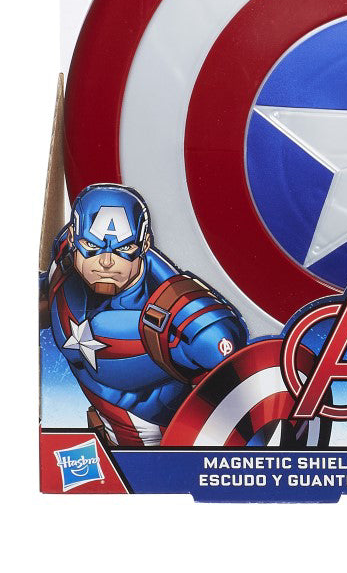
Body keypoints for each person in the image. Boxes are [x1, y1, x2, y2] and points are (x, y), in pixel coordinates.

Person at [42, 183, 248, 447]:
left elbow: (238, 380)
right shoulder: (65, 256)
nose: (106, 262)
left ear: (144, 244)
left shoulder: (181, 318)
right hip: (97, 441)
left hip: (155, 451)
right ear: (73, 237)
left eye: (124, 249)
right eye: (91, 245)